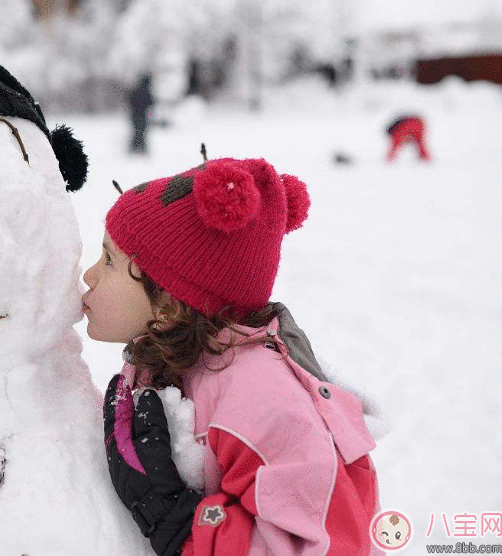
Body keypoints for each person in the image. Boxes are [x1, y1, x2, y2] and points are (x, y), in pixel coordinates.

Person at [83, 157, 381, 555]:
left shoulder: (260, 404)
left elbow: (321, 545)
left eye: (109, 261)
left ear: (170, 304)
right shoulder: (173, 355)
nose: (89, 275)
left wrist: (181, 525)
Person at [129, 74, 154, 154]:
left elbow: (130, 101)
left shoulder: (135, 90)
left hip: (134, 115)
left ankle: (135, 148)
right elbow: (151, 103)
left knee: (136, 132)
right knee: (141, 132)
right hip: (142, 115)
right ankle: (140, 149)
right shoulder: (146, 92)